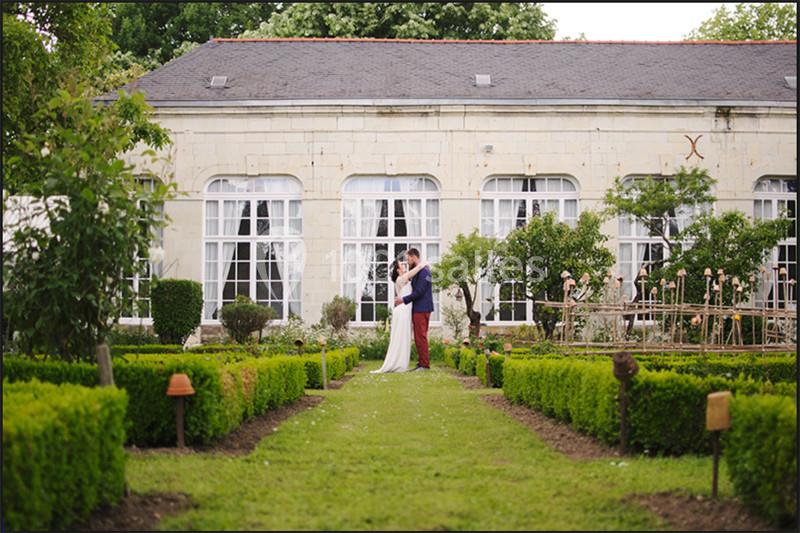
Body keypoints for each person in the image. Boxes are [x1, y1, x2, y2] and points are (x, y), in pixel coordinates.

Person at [371, 255, 430, 374]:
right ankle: (398, 363)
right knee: (401, 337)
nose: (404, 265)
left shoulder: (404, 278)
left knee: (405, 337)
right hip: (402, 311)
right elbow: (415, 270)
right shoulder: (400, 279)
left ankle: (402, 363)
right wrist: (423, 264)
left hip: (406, 311)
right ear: (398, 270)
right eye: (401, 264)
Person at [394, 248, 433, 371]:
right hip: (419, 308)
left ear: (413, 257)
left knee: (420, 337)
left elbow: (419, 292)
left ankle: (424, 364)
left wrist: (403, 300)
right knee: (418, 337)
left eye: (408, 259)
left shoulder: (424, 272)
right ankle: (421, 362)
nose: (407, 262)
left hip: (422, 308)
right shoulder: (419, 271)